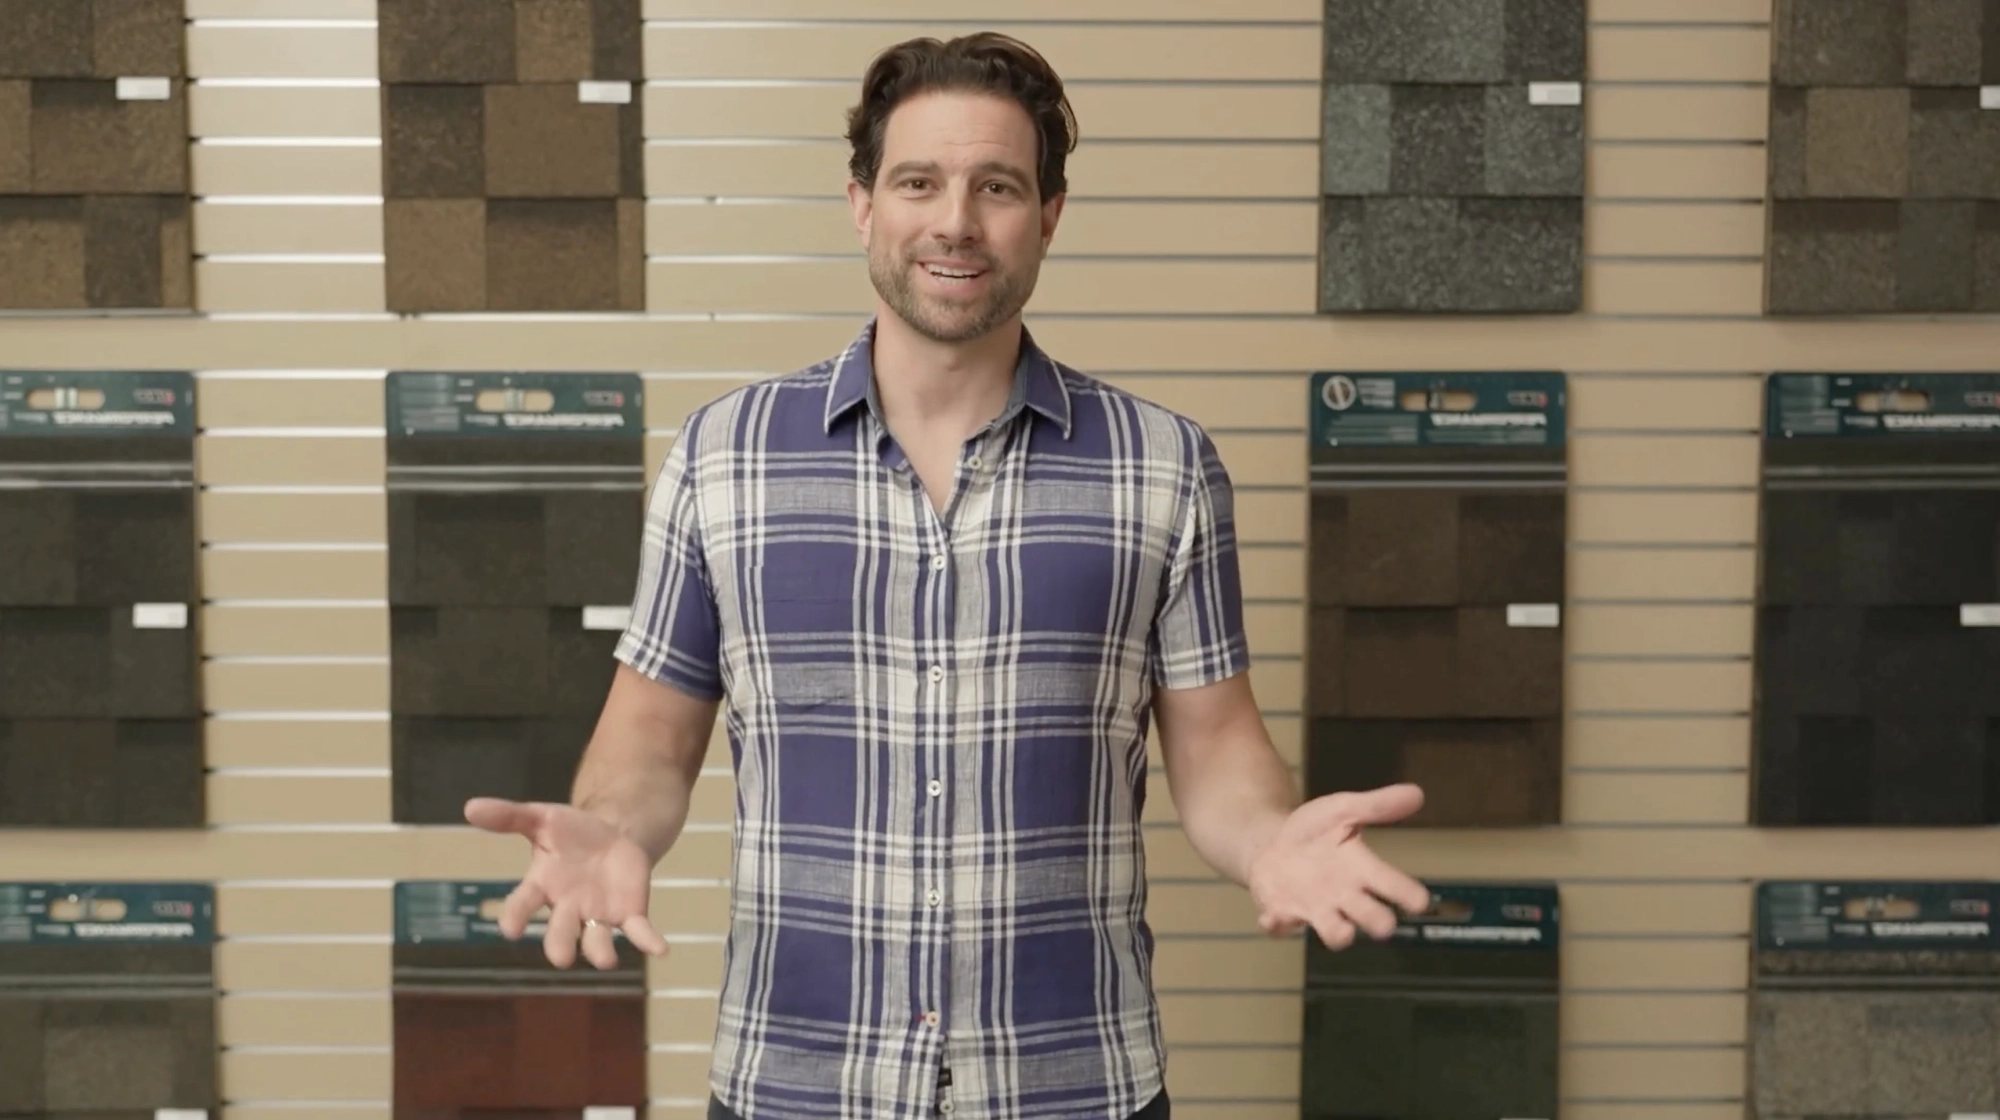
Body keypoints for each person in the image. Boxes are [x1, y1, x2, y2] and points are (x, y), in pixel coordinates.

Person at [466, 30, 1432, 1120]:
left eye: (998, 186)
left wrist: (1267, 840)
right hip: (797, 1083)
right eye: (918, 180)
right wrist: (612, 825)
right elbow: (648, 740)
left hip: (1072, 1086)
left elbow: (1214, 749)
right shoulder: (721, 457)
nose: (955, 221)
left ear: (1048, 216)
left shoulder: (1162, 468)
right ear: (861, 202)